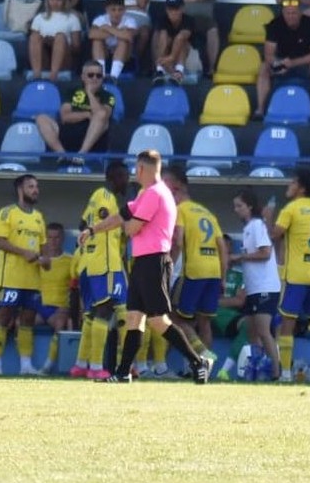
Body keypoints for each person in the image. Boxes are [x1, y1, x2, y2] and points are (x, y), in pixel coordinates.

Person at [80, 150, 211, 384]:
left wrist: (123, 220)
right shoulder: (147, 194)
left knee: (158, 320)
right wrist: (92, 230)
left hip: (154, 261)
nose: (134, 174)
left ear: (142, 169)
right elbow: (120, 216)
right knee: (134, 318)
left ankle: (198, 361)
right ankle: (122, 373)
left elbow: (130, 228)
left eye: (136, 169)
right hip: (143, 262)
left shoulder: (154, 194)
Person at [270, 169, 310, 383]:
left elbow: (275, 235)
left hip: (295, 276)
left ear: (302, 188)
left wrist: (268, 219)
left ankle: (286, 373)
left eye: (294, 181)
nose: (289, 184)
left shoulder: (291, 208)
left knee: (287, 323)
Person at [70, 161, 130, 380]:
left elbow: (81, 224)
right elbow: (105, 223)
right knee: (105, 310)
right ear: (114, 177)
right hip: (104, 264)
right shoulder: (105, 197)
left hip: (95, 261)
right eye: (124, 176)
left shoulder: (100, 197)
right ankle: (95, 367)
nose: (128, 180)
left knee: (93, 314)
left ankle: (80, 364)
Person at [0, 174, 49, 376]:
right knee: (4, 317)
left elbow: (43, 248)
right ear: (20, 189)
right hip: (11, 278)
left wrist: (46, 260)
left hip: (32, 280)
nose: (36, 190)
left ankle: (26, 366)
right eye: (31, 186)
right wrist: (24, 253)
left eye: (37, 187)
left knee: (28, 319)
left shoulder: (39, 217)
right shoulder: (7, 213)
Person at [166, 165, 228, 354]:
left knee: (177, 319)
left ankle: (203, 356)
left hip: (194, 271)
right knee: (204, 322)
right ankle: (204, 368)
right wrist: (223, 278)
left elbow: (177, 241)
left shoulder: (180, 210)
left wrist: (166, 271)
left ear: (175, 191)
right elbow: (223, 248)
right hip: (214, 272)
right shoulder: (207, 213)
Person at [229, 189, 281, 381]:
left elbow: (265, 253)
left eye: (239, 206)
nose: (236, 210)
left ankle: (277, 371)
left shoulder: (258, 225)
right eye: (235, 206)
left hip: (265, 287)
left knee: (262, 330)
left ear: (249, 206)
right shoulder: (248, 228)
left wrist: (240, 256)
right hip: (253, 288)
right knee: (252, 331)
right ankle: (259, 367)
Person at [253, 0, 310, 121]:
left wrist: (292, 63)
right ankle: (259, 110)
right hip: (282, 62)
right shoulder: (275, 24)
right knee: (264, 67)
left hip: (304, 63)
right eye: (288, 13)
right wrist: (278, 63)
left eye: (294, 13)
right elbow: (268, 55)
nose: (291, 16)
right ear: (283, 13)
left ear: (300, 13)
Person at [34, 60, 115, 166]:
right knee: (41, 118)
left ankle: (81, 154)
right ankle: (62, 154)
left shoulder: (108, 96)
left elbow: (103, 116)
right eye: (90, 75)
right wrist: (86, 114)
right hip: (68, 132)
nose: (94, 78)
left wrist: (90, 93)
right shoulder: (72, 92)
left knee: (101, 115)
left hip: (93, 139)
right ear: (83, 77)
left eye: (98, 76)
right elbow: (65, 116)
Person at [164, 0, 220, 76]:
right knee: (160, 28)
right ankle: (159, 69)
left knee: (213, 28)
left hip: (202, 19)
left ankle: (211, 69)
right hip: (180, 18)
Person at [36, 222, 73, 375]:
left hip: (59, 308)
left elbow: (76, 289)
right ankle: (24, 366)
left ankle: (47, 365)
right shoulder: (37, 261)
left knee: (60, 323)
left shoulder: (70, 260)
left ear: (62, 238)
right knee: (18, 321)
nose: (53, 241)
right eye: (49, 238)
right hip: (39, 307)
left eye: (56, 237)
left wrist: (70, 308)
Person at [28, 0, 82, 82]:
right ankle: (36, 74)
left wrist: (57, 42)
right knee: (35, 36)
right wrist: (45, 41)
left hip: (64, 59)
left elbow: (76, 48)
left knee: (60, 36)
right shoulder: (39, 17)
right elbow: (33, 43)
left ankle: (54, 74)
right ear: (47, 0)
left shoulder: (72, 18)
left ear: (64, 0)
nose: (55, 2)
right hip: (44, 57)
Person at [88, 0, 137, 83]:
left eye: (120, 10)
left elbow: (129, 36)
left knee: (123, 41)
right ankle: (100, 75)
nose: (117, 13)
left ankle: (113, 78)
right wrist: (119, 32)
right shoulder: (100, 19)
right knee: (97, 41)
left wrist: (107, 28)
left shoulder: (130, 20)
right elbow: (91, 34)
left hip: (124, 54)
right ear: (107, 10)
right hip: (105, 52)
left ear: (124, 10)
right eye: (113, 10)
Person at [151, 0, 193, 85]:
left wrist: (172, 57)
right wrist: (161, 61)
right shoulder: (162, 20)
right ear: (166, 10)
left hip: (189, 59)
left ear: (182, 9)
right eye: (170, 9)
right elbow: (159, 41)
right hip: (166, 60)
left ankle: (179, 72)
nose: (173, 12)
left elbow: (181, 37)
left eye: (176, 9)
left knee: (182, 41)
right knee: (163, 36)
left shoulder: (188, 20)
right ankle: (159, 71)